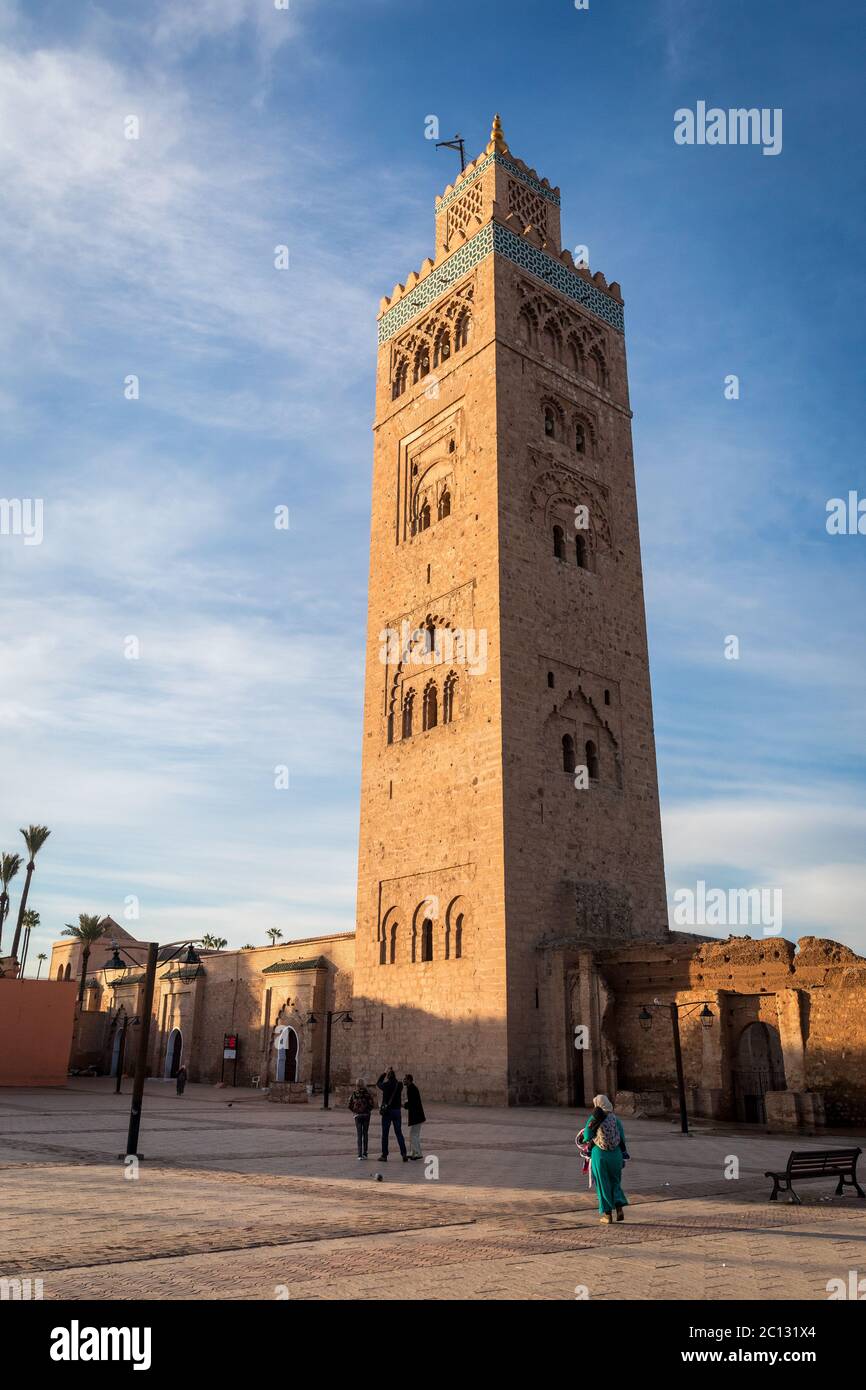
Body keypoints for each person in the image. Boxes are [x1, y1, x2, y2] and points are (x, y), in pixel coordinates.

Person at [581, 1093, 628, 1224]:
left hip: (600, 1155)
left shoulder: (594, 1118)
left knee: (603, 1184)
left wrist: (586, 1139)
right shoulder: (615, 1118)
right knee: (615, 1181)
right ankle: (619, 1208)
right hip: (616, 1155)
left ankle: (607, 1215)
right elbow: (622, 1138)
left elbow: (587, 1135)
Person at [376, 1067, 408, 1162]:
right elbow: (400, 1083)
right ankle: (404, 1154)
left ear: (388, 1077)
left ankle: (384, 1155)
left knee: (385, 1134)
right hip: (397, 1111)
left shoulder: (385, 1085)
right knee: (399, 1133)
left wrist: (384, 1073)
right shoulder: (399, 1085)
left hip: (387, 1112)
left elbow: (378, 1083)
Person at [348, 1077, 376, 1159]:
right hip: (366, 1115)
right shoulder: (367, 1093)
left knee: (359, 1135)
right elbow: (372, 1104)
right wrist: (367, 1110)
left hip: (357, 1116)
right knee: (365, 1133)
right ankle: (365, 1153)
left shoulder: (354, 1093)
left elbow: (349, 1105)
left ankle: (359, 1154)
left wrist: (355, 1111)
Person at [402, 1074, 426, 1159]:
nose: (403, 1081)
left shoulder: (411, 1089)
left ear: (409, 1080)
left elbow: (412, 1103)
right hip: (417, 1116)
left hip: (417, 1116)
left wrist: (404, 1105)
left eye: (405, 1079)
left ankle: (418, 1153)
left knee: (414, 1135)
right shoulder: (411, 1088)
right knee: (413, 1134)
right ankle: (414, 1152)